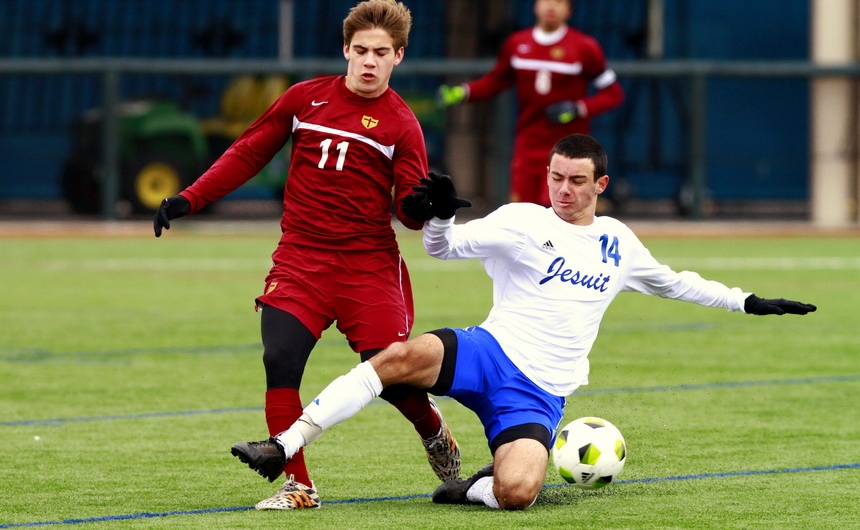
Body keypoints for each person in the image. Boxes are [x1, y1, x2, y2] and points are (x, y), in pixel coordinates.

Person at [229, 134, 816, 510]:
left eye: (577, 181)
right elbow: (442, 248)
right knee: (396, 357)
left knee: (518, 493)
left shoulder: (618, 242)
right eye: (556, 177)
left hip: (537, 393)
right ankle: (284, 446)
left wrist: (747, 301)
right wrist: (439, 216)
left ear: (600, 185)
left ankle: (473, 487)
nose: (564, 189)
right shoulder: (520, 221)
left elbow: (674, 282)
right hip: (488, 352)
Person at [153, 0, 461, 511]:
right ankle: (299, 486)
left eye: (380, 52)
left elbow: (408, 212)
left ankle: (433, 431)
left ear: (399, 56)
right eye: (360, 50)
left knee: (388, 376)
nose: (368, 61)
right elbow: (249, 151)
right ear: (345, 49)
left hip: (368, 266)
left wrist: (426, 206)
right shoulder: (305, 98)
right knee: (280, 359)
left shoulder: (403, 125)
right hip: (301, 260)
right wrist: (190, 198)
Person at [437, 0, 624, 207]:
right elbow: (495, 81)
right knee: (524, 210)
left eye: (559, 2)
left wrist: (578, 108)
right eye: (545, 1)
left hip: (567, 148)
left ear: (569, 10)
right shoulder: (517, 43)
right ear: (535, 6)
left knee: (555, 208)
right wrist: (464, 92)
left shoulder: (584, 47)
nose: (551, 6)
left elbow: (613, 94)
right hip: (527, 144)